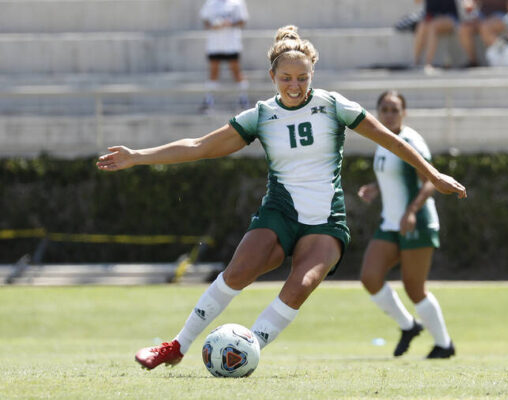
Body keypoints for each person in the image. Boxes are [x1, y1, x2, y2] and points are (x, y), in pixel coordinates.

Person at [97, 25, 467, 371]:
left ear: (312, 75)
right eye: (287, 78)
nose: (295, 86)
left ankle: (246, 350)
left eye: (302, 78)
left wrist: (434, 175)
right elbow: (199, 147)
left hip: (326, 220)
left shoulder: (333, 105)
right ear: (272, 77)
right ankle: (176, 346)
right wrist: (137, 156)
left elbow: (391, 139)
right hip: (280, 211)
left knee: (301, 285)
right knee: (238, 272)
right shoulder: (261, 115)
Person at [358, 91, 455, 359]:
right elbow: (393, 176)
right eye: (385, 109)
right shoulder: (382, 140)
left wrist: (411, 211)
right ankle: (408, 326)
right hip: (390, 222)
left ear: (404, 113)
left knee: (414, 288)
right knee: (370, 277)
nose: (389, 114)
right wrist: (375, 188)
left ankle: (444, 345)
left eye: (394, 109)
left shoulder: (411, 140)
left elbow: (428, 181)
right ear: (377, 113)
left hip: (416, 222)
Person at [199, 0, 250, 111]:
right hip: (215, 44)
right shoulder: (210, 3)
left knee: (236, 71)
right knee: (213, 71)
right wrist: (214, 26)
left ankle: (243, 99)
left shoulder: (237, 3)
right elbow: (205, 21)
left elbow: (242, 21)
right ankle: (209, 100)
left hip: (231, 44)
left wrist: (230, 24)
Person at [459, 0, 508, 67]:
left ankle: (504, 52)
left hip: (502, 16)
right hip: (483, 16)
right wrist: (469, 4)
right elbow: (472, 3)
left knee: (485, 27)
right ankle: (473, 62)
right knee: (464, 29)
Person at [412, 0, 462, 72]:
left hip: (450, 17)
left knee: (433, 26)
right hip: (432, 18)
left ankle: (428, 63)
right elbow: (417, 2)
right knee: (422, 25)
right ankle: (416, 62)